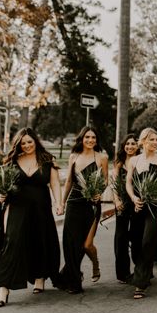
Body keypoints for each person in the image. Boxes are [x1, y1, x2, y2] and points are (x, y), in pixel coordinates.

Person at [0, 128, 62, 307]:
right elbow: (3, 184)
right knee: (12, 244)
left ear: (35, 141)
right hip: (18, 208)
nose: (27, 145)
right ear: (18, 145)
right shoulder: (12, 161)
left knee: (39, 242)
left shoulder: (46, 160)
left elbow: (55, 183)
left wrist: (59, 203)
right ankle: (3, 290)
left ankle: (39, 278)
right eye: (23, 143)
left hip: (40, 209)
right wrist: (1, 195)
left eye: (30, 141)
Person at [59, 126, 108, 294]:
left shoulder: (102, 157)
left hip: (92, 204)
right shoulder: (74, 156)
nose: (90, 140)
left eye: (93, 137)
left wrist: (99, 193)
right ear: (82, 138)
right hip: (74, 202)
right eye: (87, 137)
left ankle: (95, 264)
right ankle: (74, 279)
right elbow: (69, 182)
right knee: (71, 243)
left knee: (86, 244)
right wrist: (62, 203)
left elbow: (105, 180)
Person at [126, 128, 157, 299]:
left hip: (156, 205)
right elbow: (128, 182)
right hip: (138, 205)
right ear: (143, 141)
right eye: (151, 139)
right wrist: (133, 198)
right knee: (136, 242)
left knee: (148, 240)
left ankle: (140, 284)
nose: (155, 142)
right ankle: (146, 271)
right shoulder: (134, 160)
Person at [112, 134, 140, 284]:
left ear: (138, 146)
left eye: (133, 144)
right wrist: (116, 200)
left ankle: (141, 270)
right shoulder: (119, 163)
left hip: (137, 203)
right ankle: (123, 273)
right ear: (124, 146)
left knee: (137, 236)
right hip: (122, 203)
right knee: (121, 237)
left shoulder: (141, 161)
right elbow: (114, 183)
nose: (130, 146)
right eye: (127, 144)